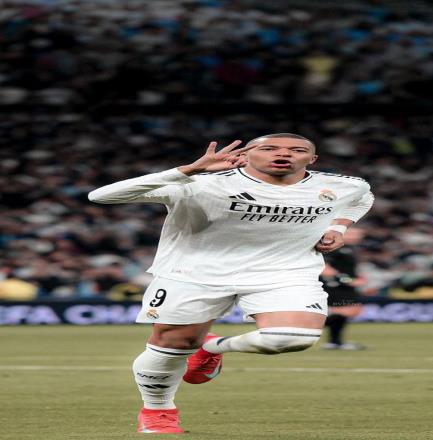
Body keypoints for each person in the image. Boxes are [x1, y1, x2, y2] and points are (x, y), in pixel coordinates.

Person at [88, 133, 374, 434]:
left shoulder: (343, 186)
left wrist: (339, 227)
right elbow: (102, 196)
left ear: (312, 159)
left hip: (285, 272)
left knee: (293, 338)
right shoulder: (199, 184)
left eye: (297, 150)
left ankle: (212, 347)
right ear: (246, 154)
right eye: (269, 148)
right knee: (172, 345)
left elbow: (362, 198)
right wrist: (189, 170)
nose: (284, 154)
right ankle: (158, 410)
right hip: (195, 273)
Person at [321, 227, 367, 350]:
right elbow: (324, 268)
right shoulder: (333, 247)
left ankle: (334, 342)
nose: (356, 236)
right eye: (352, 234)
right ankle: (305, 327)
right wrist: (348, 281)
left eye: (358, 234)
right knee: (348, 311)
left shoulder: (350, 248)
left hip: (345, 287)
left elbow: (346, 268)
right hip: (336, 287)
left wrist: (358, 277)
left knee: (346, 313)